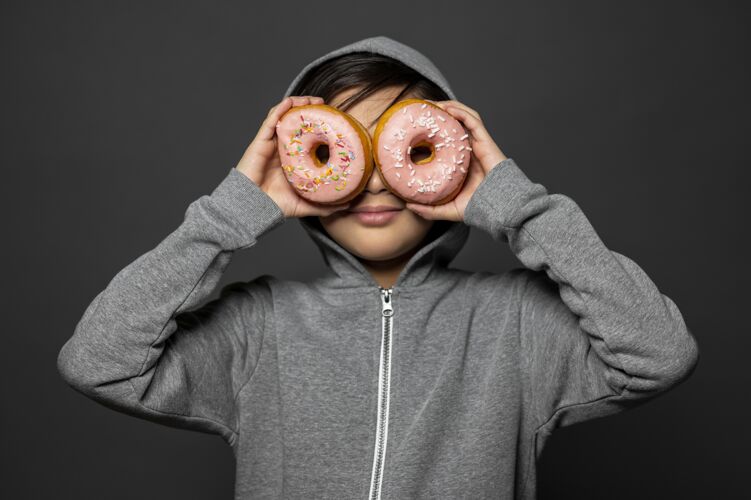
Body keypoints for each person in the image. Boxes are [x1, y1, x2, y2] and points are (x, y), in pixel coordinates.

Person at [56, 36, 700, 499]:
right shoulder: (258, 326)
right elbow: (99, 362)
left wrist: (517, 207)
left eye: (401, 148)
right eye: (346, 150)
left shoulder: (518, 323)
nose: (372, 183)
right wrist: (228, 216)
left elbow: (660, 353)